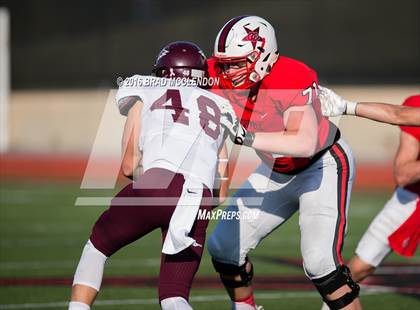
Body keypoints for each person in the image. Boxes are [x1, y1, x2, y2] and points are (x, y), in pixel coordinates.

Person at [206, 15, 362, 310]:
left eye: (238, 63)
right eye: (225, 63)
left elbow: (303, 143)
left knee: (321, 265)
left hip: (322, 164)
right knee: (224, 247)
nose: (229, 71)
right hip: (276, 168)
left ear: (263, 56)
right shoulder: (213, 72)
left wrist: (245, 137)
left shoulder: (290, 75)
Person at [68, 41, 230, 310]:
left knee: (97, 247)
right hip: (198, 197)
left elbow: (129, 166)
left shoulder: (144, 90)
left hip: (157, 184)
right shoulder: (219, 108)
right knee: (174, 296)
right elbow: (220, 194)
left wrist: (161, 190)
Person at [318, 90, 419, 309]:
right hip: (412, 197)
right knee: (359, 267)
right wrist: (347, 106)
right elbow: (398, 115)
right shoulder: (416, 105)